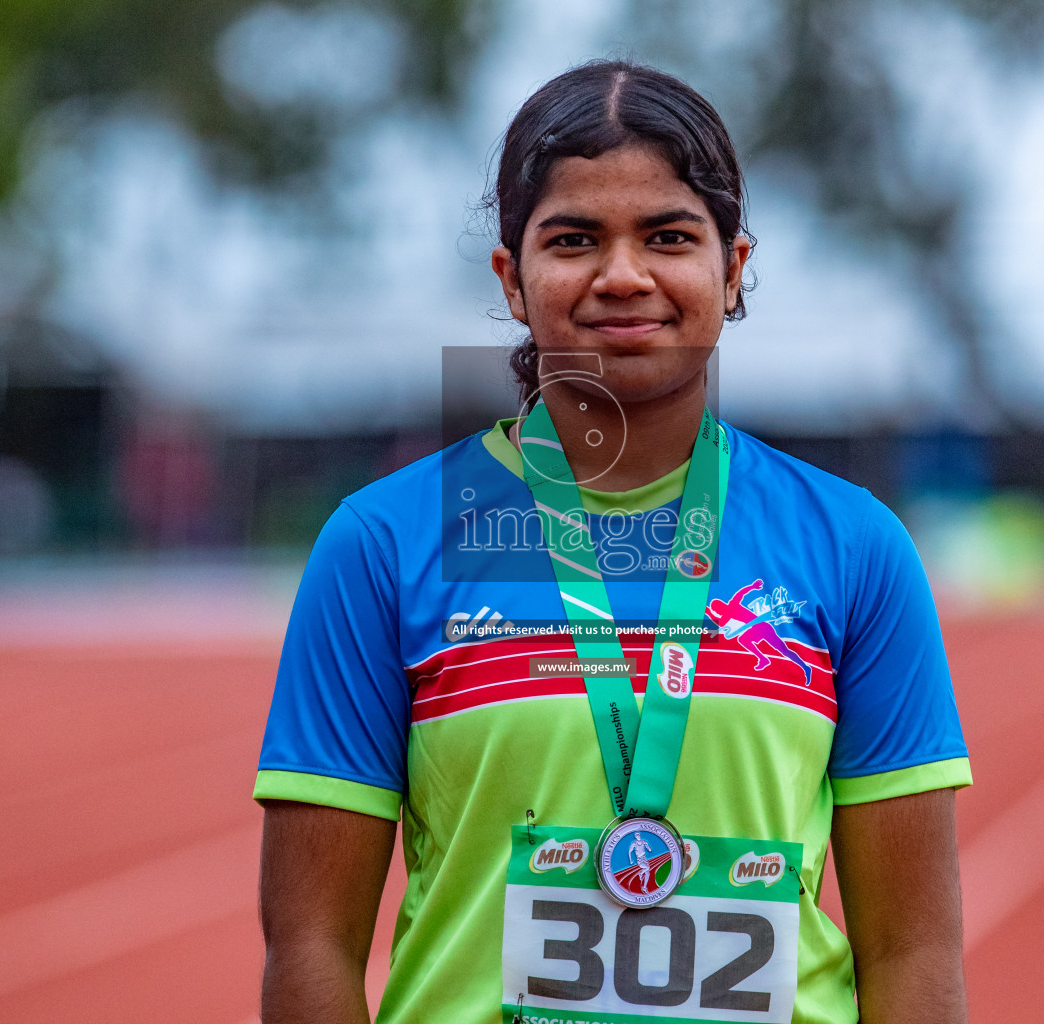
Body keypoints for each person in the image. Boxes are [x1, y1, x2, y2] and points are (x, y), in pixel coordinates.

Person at [255, 60, 971, 1024]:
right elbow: (311, 949)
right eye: (574, 240)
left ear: (734, 268)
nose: (623, 274)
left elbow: (913, 950)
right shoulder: (386, 545)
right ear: (513, 279)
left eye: (670, 236)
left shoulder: (851, 547)